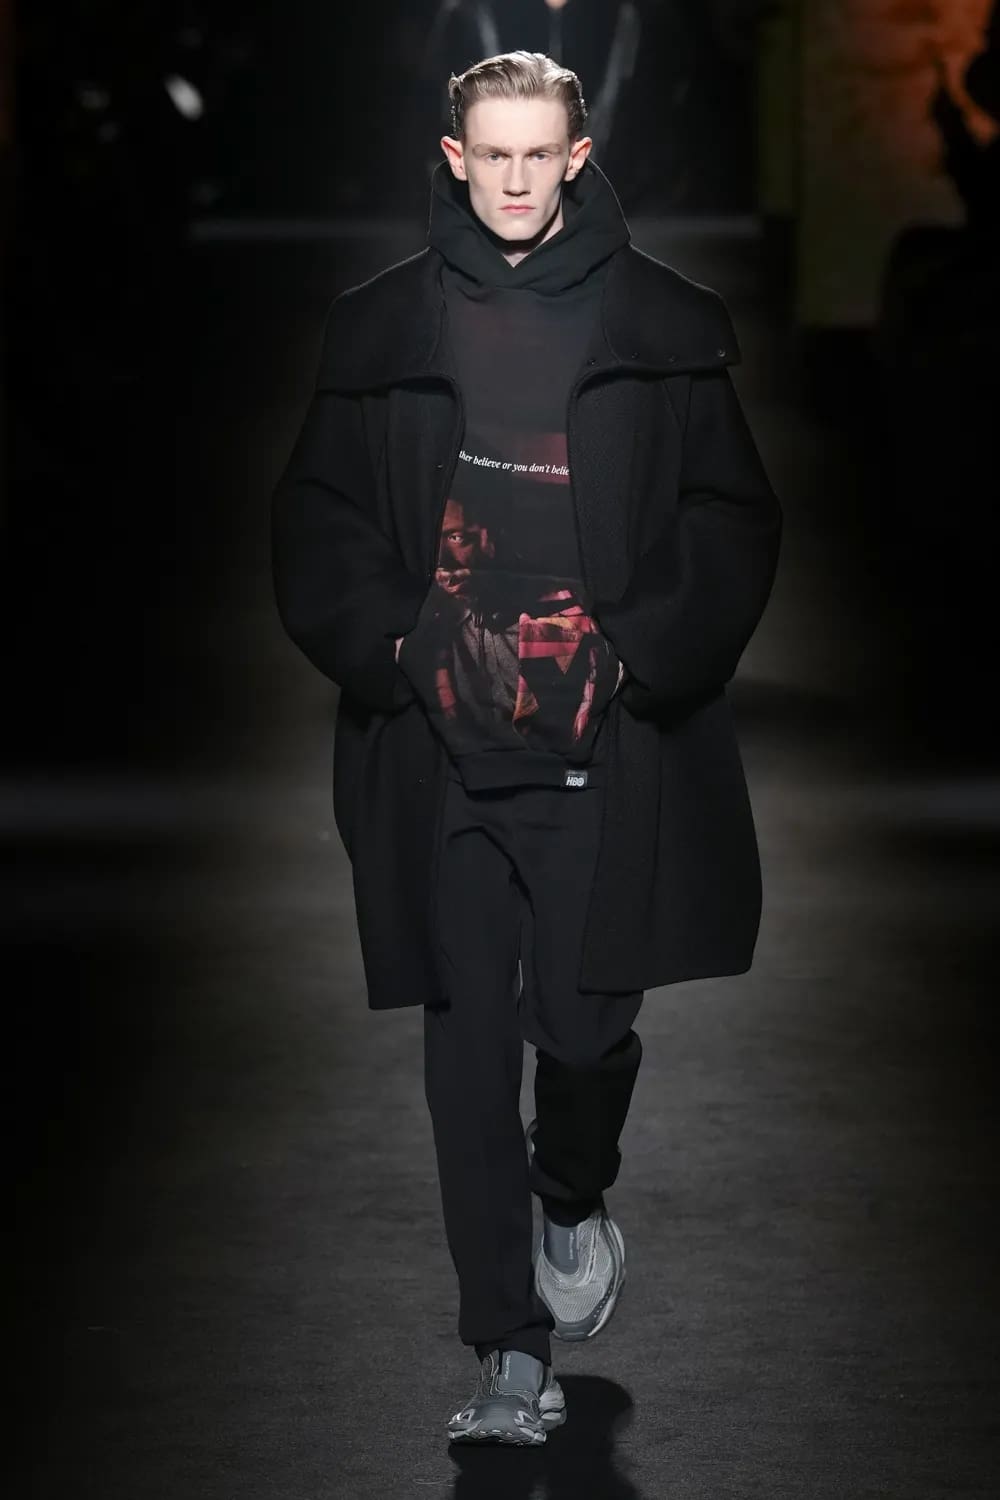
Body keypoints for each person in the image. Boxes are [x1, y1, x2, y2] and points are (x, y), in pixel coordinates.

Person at [271, 50, 782, 1447]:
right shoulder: (384, 326)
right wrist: (397, 645)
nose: (512, 179)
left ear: (576, 155)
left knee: (586, 1034)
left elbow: (732, 513)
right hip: (440, 753)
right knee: (465, 1058)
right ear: (454, 157)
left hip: (602, 750)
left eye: (536, 155)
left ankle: (572, 1192)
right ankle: (509, 1352)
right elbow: (316, 511)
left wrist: (640, 651)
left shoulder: (662, 322)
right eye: (489, 154)